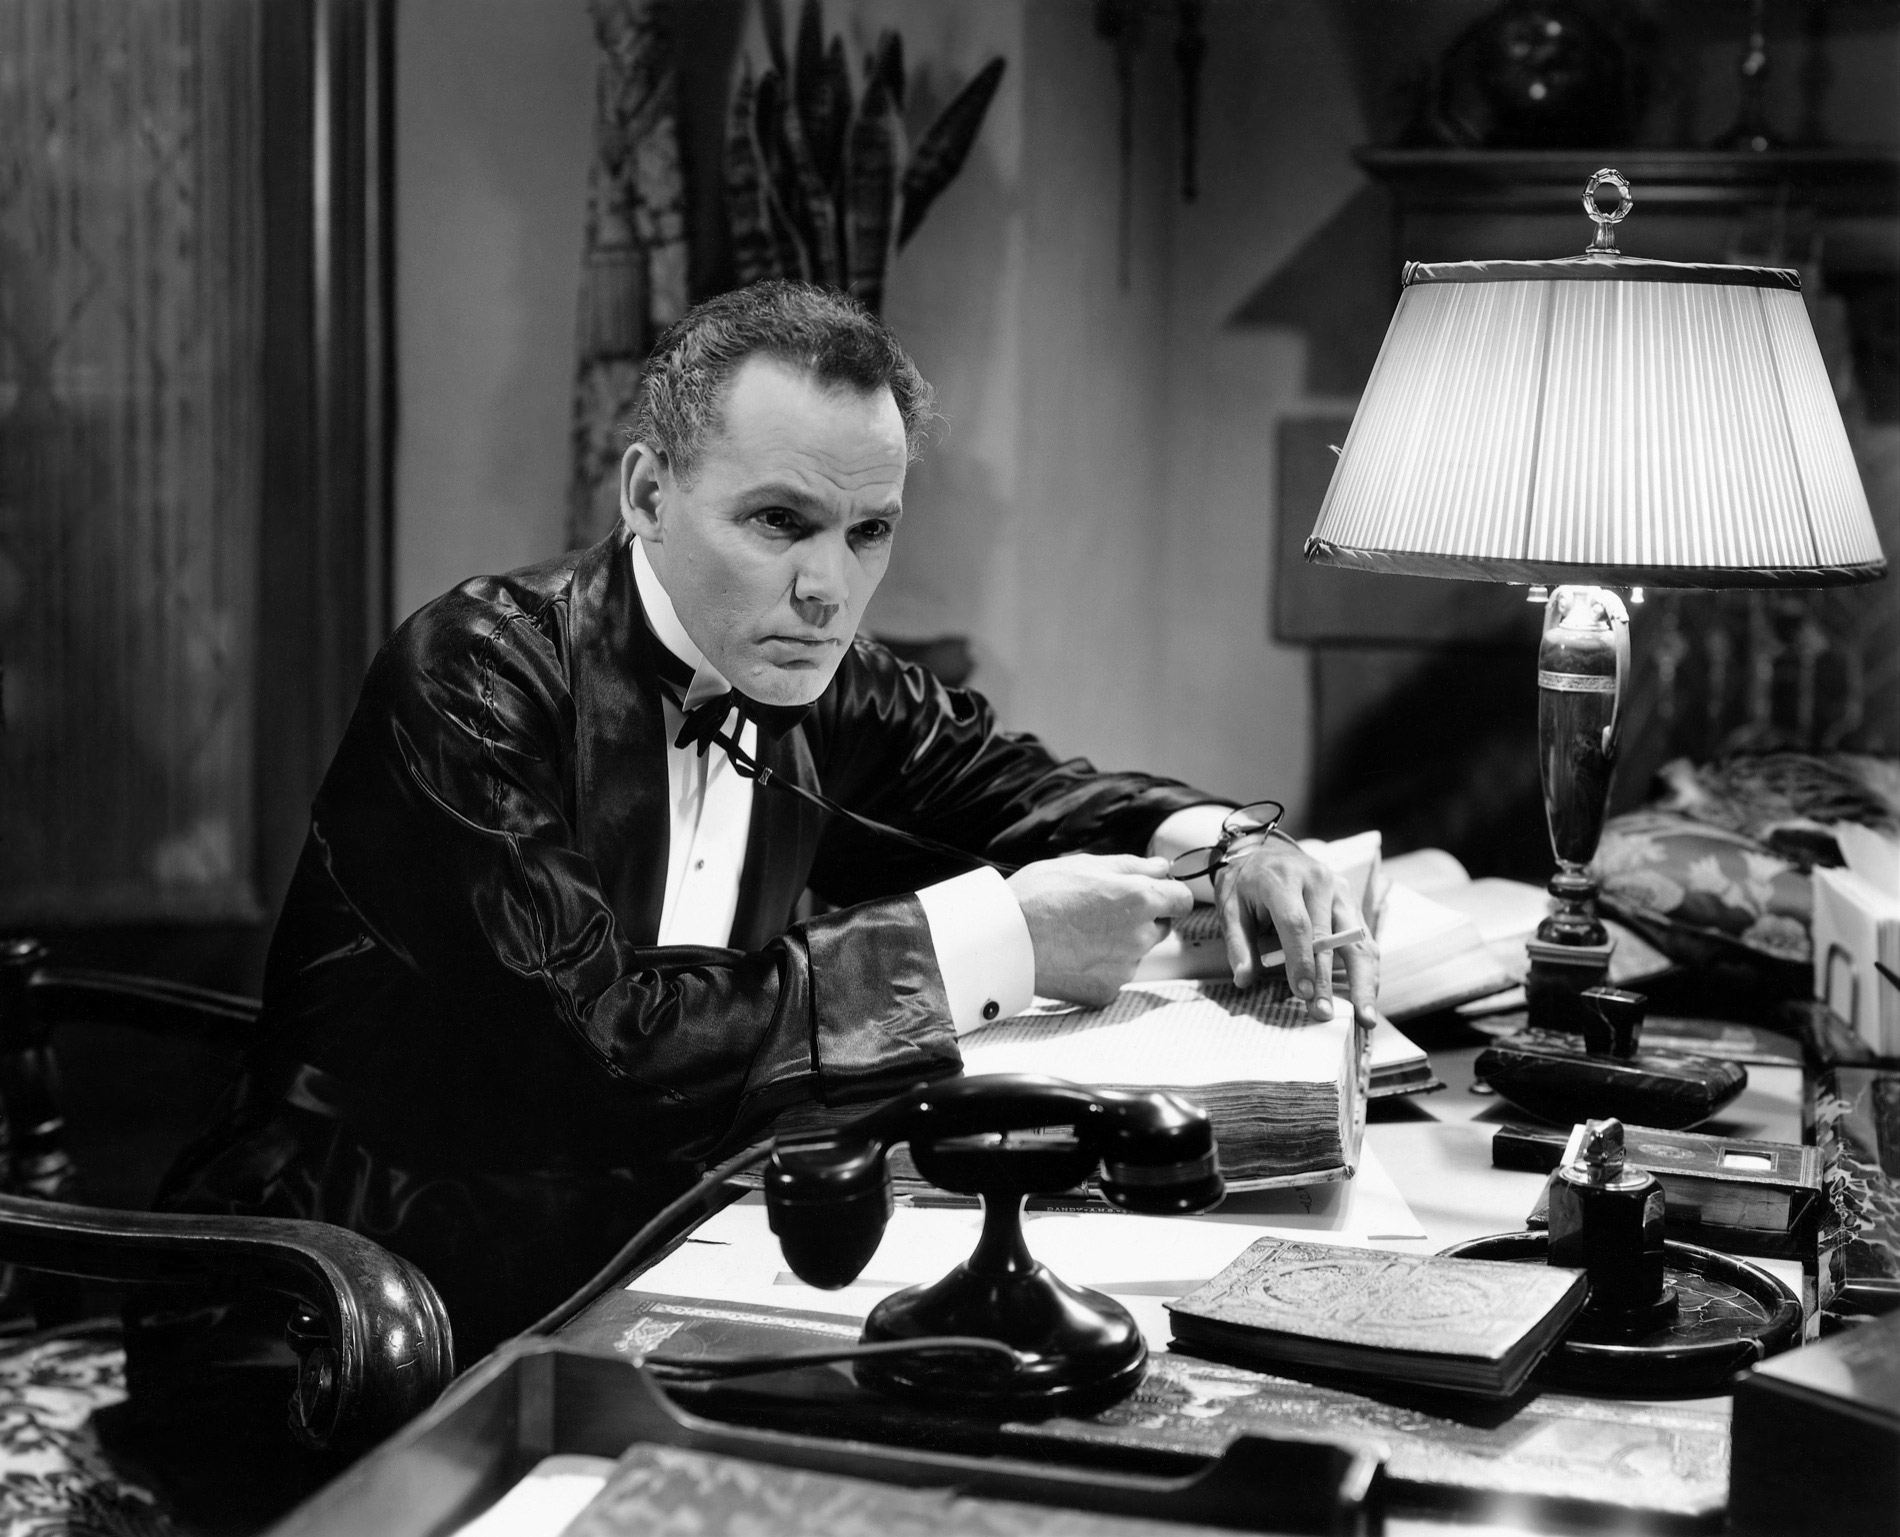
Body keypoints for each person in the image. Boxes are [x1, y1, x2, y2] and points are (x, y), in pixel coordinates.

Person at [142, 280, 1377, 1369]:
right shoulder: (475, 672)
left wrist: (1231, 841)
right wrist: (999, 941)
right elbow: (604, 1052)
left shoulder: (818, 675)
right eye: (778, 521)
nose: (828, 588)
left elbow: (1014, 786)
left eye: (868, 532)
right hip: (350, 1287)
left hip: (651, 1244)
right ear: (647, 493)